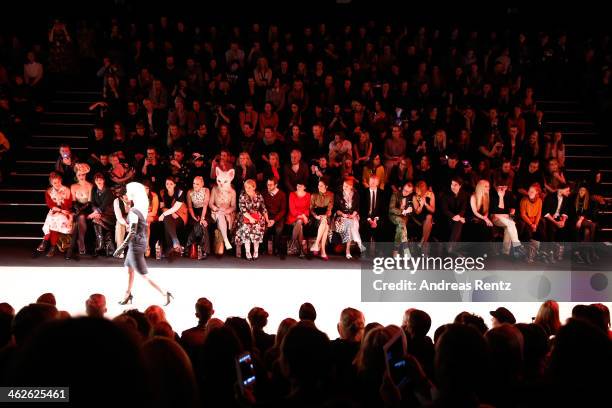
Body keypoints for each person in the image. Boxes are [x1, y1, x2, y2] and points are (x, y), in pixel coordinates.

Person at [114, 182, 172, 306]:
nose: (126, 196)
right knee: (129, 270)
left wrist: (121, 247)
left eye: (127, 194)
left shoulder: (134, 211)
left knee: (144, 275)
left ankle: (164, 292)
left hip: (136, 245)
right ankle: (127, 294)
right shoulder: (139, 209)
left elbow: (133, 231)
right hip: (137, 243)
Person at [37, 172, 73, 257]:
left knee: (55, 222)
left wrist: (62, 199)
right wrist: (59, 209)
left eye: (58, 182)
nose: (57, 184)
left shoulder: (66, 190)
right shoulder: (49, 191)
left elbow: (69, 204)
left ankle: (48, 244)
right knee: (50, 221)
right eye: (54, 183)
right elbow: (50, 205)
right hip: (55, 211)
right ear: (51, 183)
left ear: (61, 181)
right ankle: (48, 244)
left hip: (65, 211)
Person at [490, 174, 524, 257]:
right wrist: (501, 197)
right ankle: (517, 245)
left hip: (506, 218)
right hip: (495, 218)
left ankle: (505, 252)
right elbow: (496, 212)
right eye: (500, 187)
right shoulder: (493, 194)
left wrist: (511, 217)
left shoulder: (509, 194)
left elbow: (513, 207)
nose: (502, 189)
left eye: (504, 187)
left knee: (509, 226)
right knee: (510, 224)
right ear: (496, 187)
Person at [332, 177, 365, 259]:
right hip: (341, 216)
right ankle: (359, 244)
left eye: (347, 186)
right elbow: (336, 209)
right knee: (351, 224)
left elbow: (357, 208)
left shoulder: (356, 194)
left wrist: (353, 214)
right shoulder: (339, 194)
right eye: (344, 186)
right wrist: (343, 214)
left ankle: (348, 250)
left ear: (351, 186)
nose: (344, 187)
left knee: (353, 223)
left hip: (352, 216)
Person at [235, 179, 268, 260]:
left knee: (257, 227)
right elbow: (243, 210)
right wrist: (250, 218)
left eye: (249, 187)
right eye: (246, 187)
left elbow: (263, 208)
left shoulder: (258, 195)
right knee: (246, 228)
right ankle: (247, 251)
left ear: (254, 187)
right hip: (245, 216)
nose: (247, 189)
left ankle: (256, 251)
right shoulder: (242, 195)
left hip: (256, 215)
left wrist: (267, 219)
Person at [67, 163, 92, 259]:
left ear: (86, 175)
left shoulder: (90, 185)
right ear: (76, 175)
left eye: (83, 174)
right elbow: (73, 201)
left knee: (81, 217)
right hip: (77, 207)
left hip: (87, 207)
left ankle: (80, 241)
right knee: (80, 217)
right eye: (79, 175)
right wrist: (77, 209)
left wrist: (80, 210)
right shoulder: (73, 186)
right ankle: (80, 242)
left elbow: (89, 202)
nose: (81, 176)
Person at [159, 176, 188, 256]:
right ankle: (175, 243)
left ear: (174, 185)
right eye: (167, 184)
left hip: (180, 215)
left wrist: (166, 213)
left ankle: (170, 248)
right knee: (166, 220)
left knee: (166, 220)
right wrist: (169, 213)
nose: (169, 185)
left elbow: (176, 207)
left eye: (171, 184)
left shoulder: (179, 192)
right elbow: (162, 207)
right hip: (170, 215)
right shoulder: (162, 192)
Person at [518, 183, 547, 263]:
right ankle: (528, 255)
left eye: (532, 191)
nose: (529, 193)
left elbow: (539, 214)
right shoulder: (524, 200)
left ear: (537, 193)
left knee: (542, 234)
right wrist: (531, 224)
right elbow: (523, 214)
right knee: (528, 233)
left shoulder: (539, 200)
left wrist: (535, 224)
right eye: (529, 191)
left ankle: (541, 254)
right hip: (527, 220)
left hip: (535, 221)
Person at [209, 167, 237, 251]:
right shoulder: (214, 189)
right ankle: (225, 240)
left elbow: (234, 206)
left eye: (225, 181)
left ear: (231, 178)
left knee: (222, 213)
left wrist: (227, 211)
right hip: (217, 212)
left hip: (228, 212)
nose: (221, 184)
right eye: (219, 181)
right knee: (220, 213)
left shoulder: (232, 192)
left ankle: (224, 240)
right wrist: (216, 208)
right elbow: (210, 203)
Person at [88, 173, 116, 257]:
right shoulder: (94, 190)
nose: (98, 181)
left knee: (95, 220)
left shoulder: (108, 191)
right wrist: (95, 212)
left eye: (100, 179)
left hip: (109, 215)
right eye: (97, 180)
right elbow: (92, 203)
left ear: (103, 180)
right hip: (99, 214)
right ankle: (102, 245)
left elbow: (103, 206)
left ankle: (100, 245)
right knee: (96, 220)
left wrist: (93, 214)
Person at [440, 176, 469, 254]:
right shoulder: (446, 194)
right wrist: (453, 216)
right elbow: (445, 209)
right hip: (448, 216)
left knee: (459, 222)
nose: (453, 186)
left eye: (455, 185)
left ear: (460, 185)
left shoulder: (464, 194)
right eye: (452, 184)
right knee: (458, 222)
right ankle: (453, 248)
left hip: (459, 216)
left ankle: (451, 247)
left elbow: (463, 208)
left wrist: (459, 216)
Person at [542, 183, 571, 261]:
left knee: (565, 227)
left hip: (559, 218)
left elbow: (565, 211)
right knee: (552, 228)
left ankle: (558, 251)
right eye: (567, 190)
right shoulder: (550, 196)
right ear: (560, 190)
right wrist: (555, 222)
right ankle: (549, 252)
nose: (569, 192)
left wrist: (563, 221)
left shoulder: (566, 198)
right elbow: (546, 212)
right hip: (550, 218)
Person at [570, 183, 598, 263]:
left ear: (586, 192)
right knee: (593, 225)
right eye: (581, 190)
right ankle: (591, 249)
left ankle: (587, 253)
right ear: (578, 191)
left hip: (582, 220)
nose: (582, 191)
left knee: (587, 231)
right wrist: (580, 219)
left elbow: (587, 212)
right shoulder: (574, 199)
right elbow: (574, 213)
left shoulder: (588, 200)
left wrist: (583, 219)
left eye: (584, 190)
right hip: (575, 220)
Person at [185, 176, 211, 259]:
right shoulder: (189, 192)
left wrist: (203, 218)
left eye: (197, 184)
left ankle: (205, 251)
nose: (195, 185)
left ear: (202, 184)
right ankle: (191, 246)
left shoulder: (206, 190)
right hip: (194, 212)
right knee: (196, 225)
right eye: (194, 183)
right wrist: (194, 217)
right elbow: (190, 207)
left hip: (204, 211)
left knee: (203, 226)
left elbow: (205, 205)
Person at [309, 177, 334, 260]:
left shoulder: (331, 195)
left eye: (321, 186)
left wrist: (326, 216)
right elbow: (311, 209)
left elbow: (330, 208)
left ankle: (316, 244)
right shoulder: (314, 195)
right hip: (316, 217)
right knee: (325, 225)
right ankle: (322, 251)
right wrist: (316, 216)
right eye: (318, 185)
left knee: (325, 222)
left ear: (326, 186)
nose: (319, 187)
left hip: (326, 216)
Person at [262, 177, 287, 257]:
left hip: (278, 216)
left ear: (276, 185)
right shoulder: (264, 193)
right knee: (264, 229)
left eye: (270, 185)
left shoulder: (282, 194)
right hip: (267, 216)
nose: (268, 186)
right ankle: (264, 249)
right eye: (267, 184)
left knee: (278, 230)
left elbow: (283, 210)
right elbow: (262, 207)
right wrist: (267, 219)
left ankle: (277, 249)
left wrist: (274, 220)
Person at [388, 182, 415, 255]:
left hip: (404, 217)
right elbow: (391, 209)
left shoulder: (411, 197)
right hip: (394, 215)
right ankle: (405, 248)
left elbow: (411, 211)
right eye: (405, 190)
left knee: (400, 228)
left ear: (411, 192)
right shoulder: (395, 194)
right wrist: (402, 211)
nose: (406, 193)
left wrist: (410, 209)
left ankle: (395, 251)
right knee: (402, 223)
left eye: (408, 192)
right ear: (403, 187)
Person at [286, 182, 311, 258]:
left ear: (305, 187)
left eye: (300, 186)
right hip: (293, 217)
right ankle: (301, 250)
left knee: (300, 223)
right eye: (297, 185)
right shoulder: (292, 194)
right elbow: (292, 210)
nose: (298, 187)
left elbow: (307, 208)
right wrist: (302, 215)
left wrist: (304, 215)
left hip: (303, 218)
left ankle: (292, 243)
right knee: (300, 224)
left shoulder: (308, 195)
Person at [361, 174, 384, 253]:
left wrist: (376, 220)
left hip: (378, 217)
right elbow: (361, 209)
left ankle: (379, 250)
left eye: (375, 182)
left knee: (382, 225)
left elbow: (383, 209)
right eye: (371, 181)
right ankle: (364, 250)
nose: (373, 183)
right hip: (366, 216)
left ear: (378, 183)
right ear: (368, 181)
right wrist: (369, 220)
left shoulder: (382, 193)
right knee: (364, 225)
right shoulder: (363, 192)